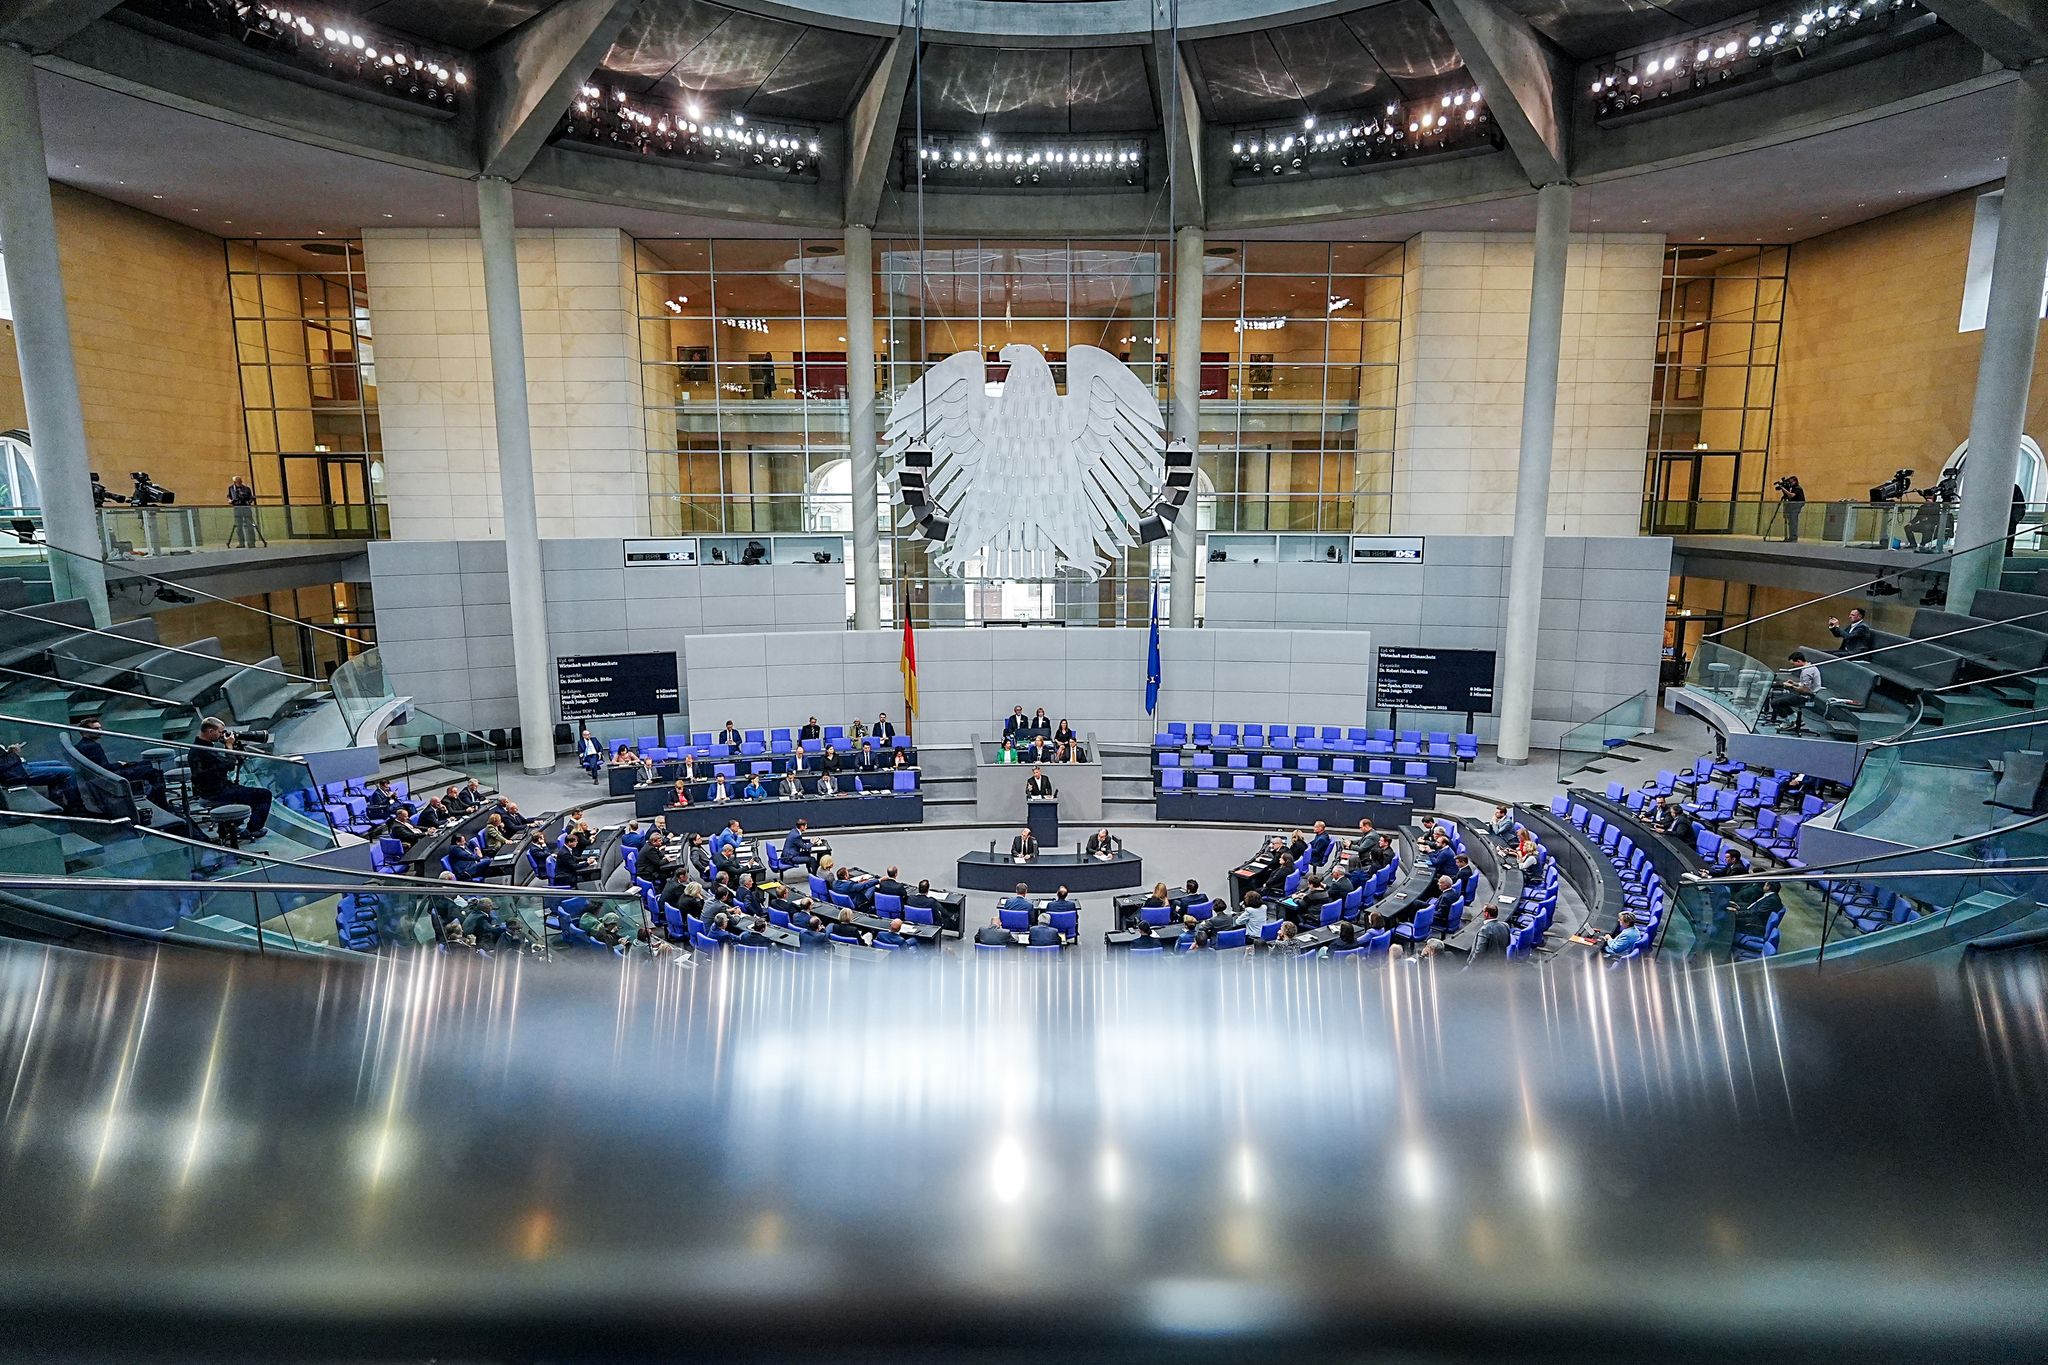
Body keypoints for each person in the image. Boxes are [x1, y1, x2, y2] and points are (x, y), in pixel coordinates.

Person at [190, 717, 270, 838]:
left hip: (211, 789)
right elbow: (230, 765)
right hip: (217, 792)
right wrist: (229, 746)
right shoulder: (204, 751)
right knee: (264, 795)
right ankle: (252, 829)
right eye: (220, 732)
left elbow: (222, 764)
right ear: (211, 731)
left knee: (247, 793)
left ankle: (231, 825)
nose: (223, 735)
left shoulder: (201, 746)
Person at [72, 716, 165, 807]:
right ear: (85, 732)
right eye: (96, 729)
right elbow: (104, 769)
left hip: (104, 774)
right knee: (154, 773)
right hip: (111, 777)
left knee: (145, 763)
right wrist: (119, 764)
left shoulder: (80, 745)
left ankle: (154, 797)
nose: (100, 731)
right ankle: (162, 803)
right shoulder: (92, 747)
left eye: (100, 728)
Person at [1768, 651, 1823, 726]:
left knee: (1775, 703)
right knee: (1780, 699)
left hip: (1807, 698)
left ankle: (1791, 721)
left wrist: (1790, 686)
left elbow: (1805, 690)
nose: (1793, 666)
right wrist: (1795, 683)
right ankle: (1795, 720)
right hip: (1807, 694)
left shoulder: (1807, 671)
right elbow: (1805, 685)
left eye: (1793, 664)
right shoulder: (1810, 667)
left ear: (1799, 661)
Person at [226, 474, 265, 548]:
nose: (239, 482)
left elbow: (251, 498)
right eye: (237, 481)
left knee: (249, 525)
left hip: (246, 508)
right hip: (237, 508)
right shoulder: (231, 488)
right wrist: (230, 500)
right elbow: (229, 496)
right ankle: (241, 543)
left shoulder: (246, 489)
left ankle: (251, 542)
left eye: (239, 481)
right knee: (238, 526)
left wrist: (248, 501)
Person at [1777, 473, 1805, 543]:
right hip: (1792, 506)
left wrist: (1783, 488)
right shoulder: (1792, 488)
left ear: (1795, 481)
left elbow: (1791, 495)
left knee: (1793, 522)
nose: (1790, 483)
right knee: (1790, 522)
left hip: (1796, 506)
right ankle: (1790, 537)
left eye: (1791, 481)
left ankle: (1794, 537)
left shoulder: (1797, 488)